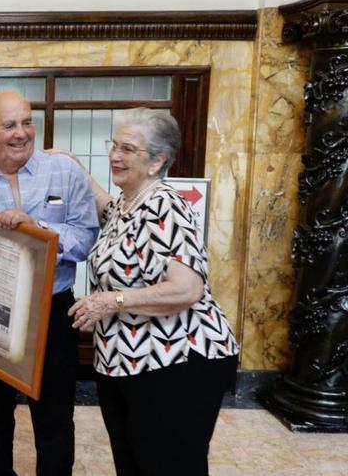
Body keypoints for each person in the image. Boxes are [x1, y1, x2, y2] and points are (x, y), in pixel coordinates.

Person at [64, 108, 240, 476]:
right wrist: (75, 167)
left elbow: (187, 288)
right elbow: (106, 205)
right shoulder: (128, 203)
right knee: (136, 462)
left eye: (128, 149)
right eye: (114, 145)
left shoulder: (166, 206)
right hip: (128, 363)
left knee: (167, 464)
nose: (115, 155)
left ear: (158, 160)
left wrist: (112, 301)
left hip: (176, 361)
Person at [0, 89, 99, 475]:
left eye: (27, 121)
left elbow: (87, 236)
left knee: (54, 418)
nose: (21, 133)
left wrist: (39, 229)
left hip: (51, 311)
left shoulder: (65, 171)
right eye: (9, 125)